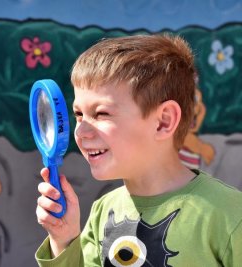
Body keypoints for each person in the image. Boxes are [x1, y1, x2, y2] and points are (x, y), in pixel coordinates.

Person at [35, 34, 242, 266]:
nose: (81, 132)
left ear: (163, 121)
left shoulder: (231, 216)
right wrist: (64, 239)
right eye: (79, 114)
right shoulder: (103, 211)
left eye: (101, 113)